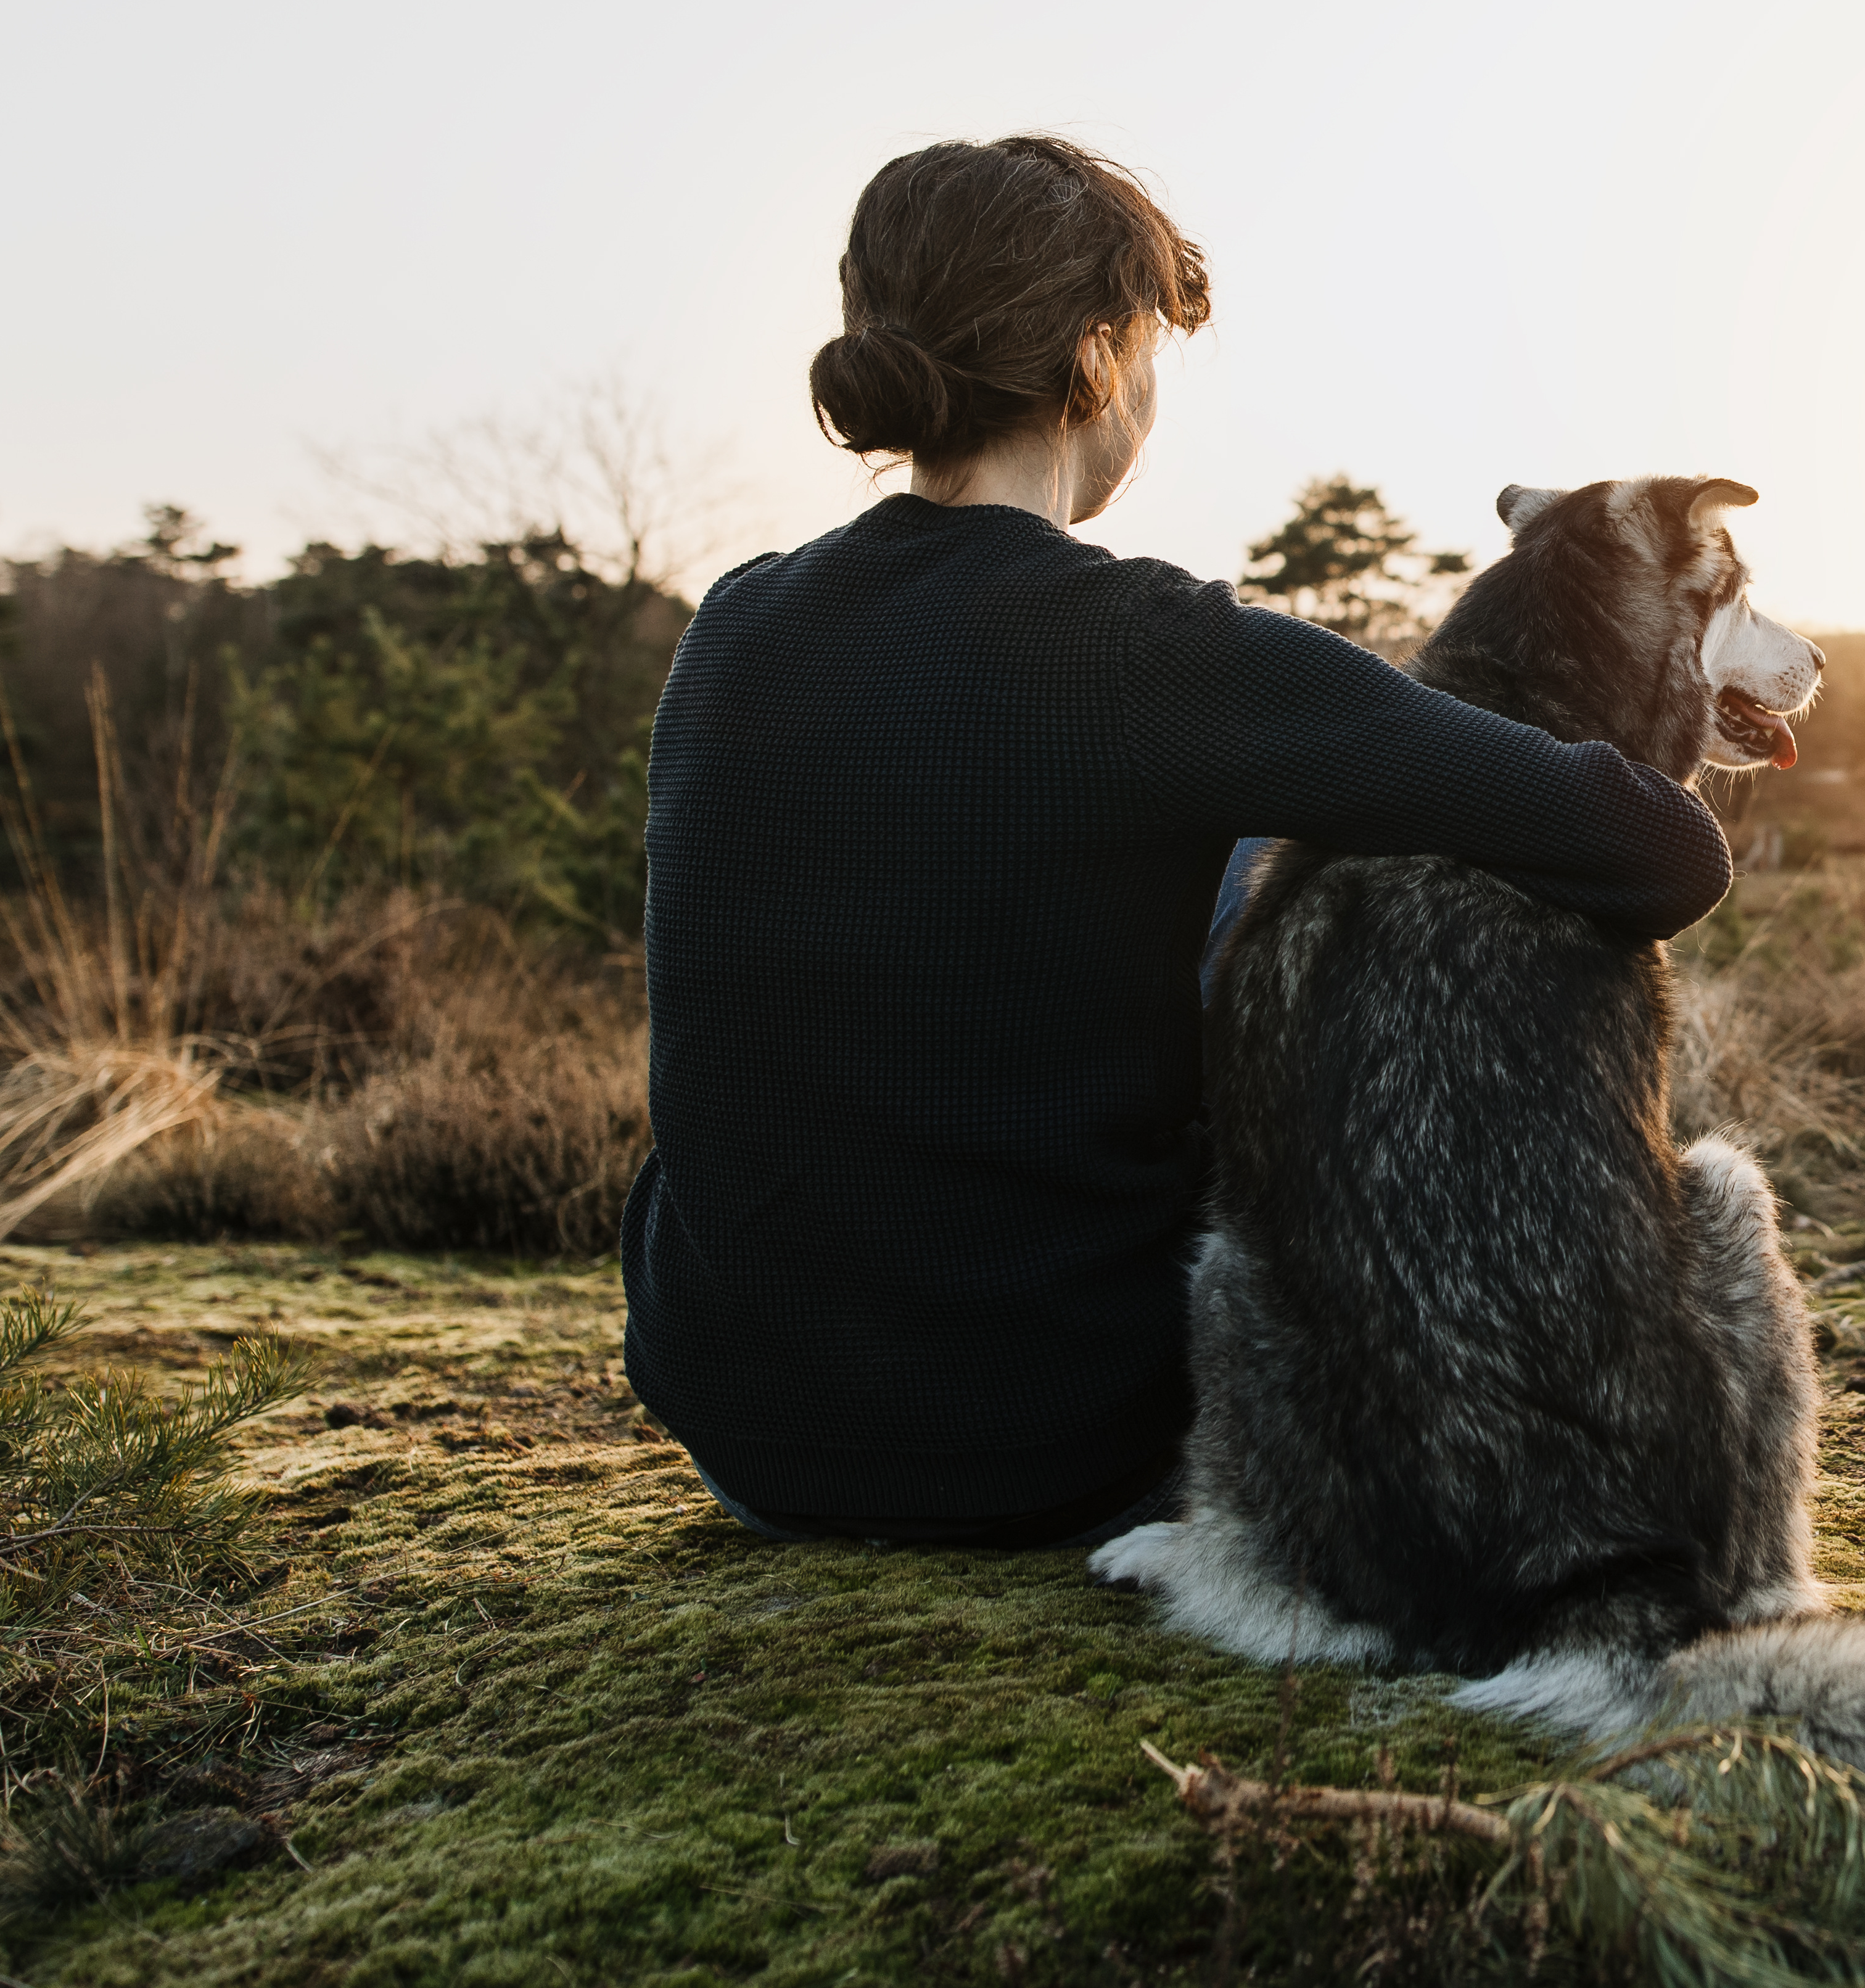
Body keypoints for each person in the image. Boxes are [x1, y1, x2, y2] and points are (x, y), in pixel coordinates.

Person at [624, 137, 1734, 1545]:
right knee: (1257, 840)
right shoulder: (1152, 650)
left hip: (743, 1428)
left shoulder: (737, 621)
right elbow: (1661, 850)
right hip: (1056, 1443)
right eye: (1152, 346)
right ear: (1101, 354)